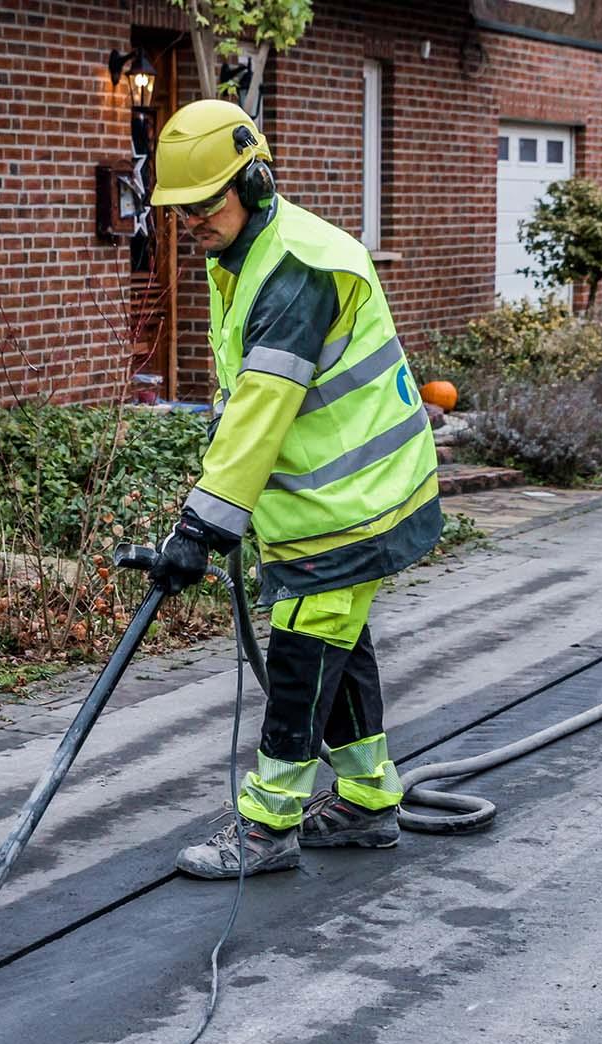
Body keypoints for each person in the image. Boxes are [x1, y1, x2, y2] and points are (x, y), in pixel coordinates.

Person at [147, 98, 442, 880]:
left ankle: (267, 825)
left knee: (301, 660)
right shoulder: (246, 253)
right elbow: (252, 402)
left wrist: (199, 531)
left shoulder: (297, 273)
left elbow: (262, 409)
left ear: (256, 179)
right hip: (338, 498)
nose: (192, 222)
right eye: (180, 210)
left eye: (205, 204)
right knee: (338, 647)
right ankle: (370, 802)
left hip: (355, 503)